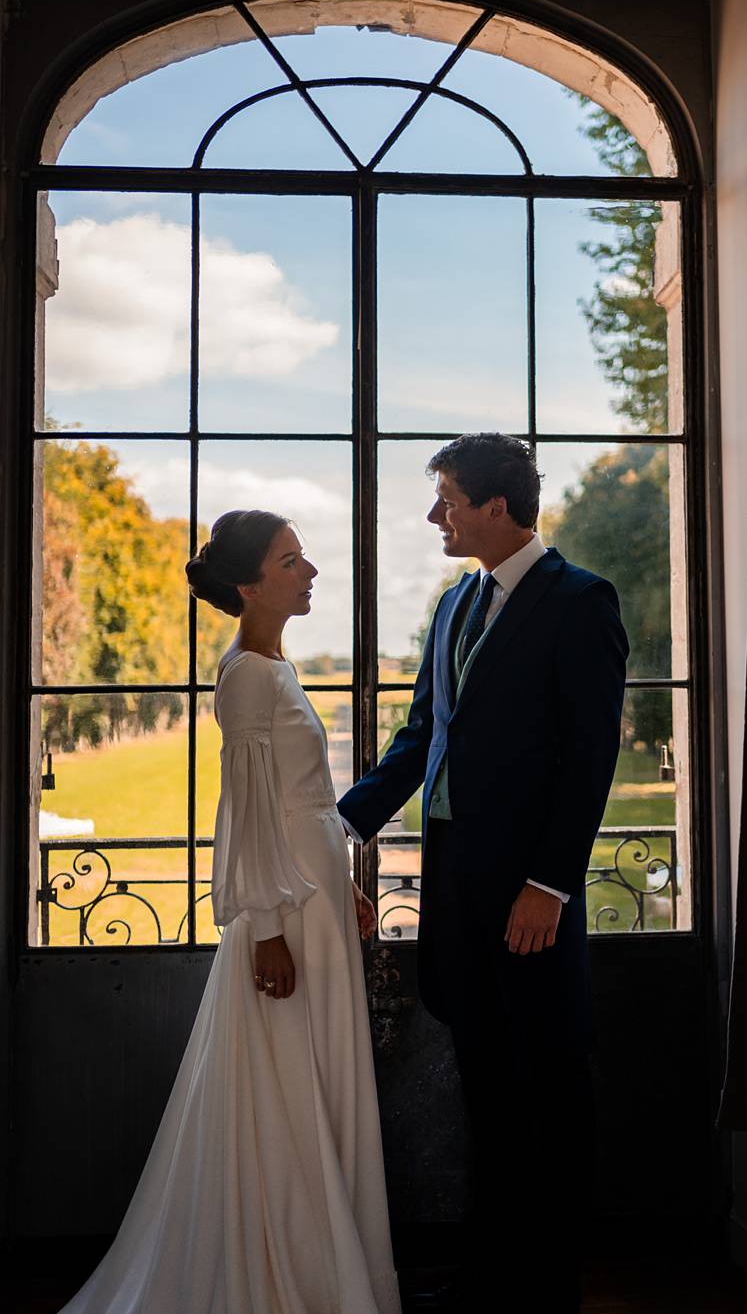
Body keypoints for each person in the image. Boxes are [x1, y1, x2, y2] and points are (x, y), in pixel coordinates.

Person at [58, 509, 400, 1314]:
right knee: (285, 1086)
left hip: (313, 898)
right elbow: (244, 814)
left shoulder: (274, 667)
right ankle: (290, 1273)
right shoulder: (247, 673)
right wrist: (269, 928)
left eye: (304, 558)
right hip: (284, 913)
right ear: (250, 585)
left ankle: (324, 1260)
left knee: (315, 1075)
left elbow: (301, 803)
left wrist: (344, 879)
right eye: (292, 560)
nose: (310, 571)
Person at [337, 434, 629, 1314]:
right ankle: (485, 1283)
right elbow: (421, 737)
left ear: (497, 507)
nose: (438, 517)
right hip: (458, 896)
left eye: (449, 501)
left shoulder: (582, 602)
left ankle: (549, 1291)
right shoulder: (456, 604)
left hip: (531, 898)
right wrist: (334, 821)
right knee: (488, 1097)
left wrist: (549, 885)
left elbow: (589, 758)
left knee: (550, 1092)